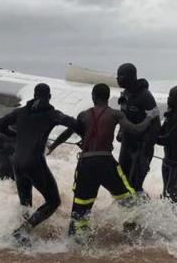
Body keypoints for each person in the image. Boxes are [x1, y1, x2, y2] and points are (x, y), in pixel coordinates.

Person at [47, 83, 159, 242]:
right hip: (106, 162)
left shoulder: (83, 115)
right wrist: (150, 117)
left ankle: (72, 244)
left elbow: (68, 132)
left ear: (93, 96)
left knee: (80, 206)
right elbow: (135, 130)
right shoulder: (116, 114)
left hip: (85, 163)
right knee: (129, 199)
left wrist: (52, 146)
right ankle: (134, 236)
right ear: (107, 97)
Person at [0, 83, 80, 245]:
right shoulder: (52, 114)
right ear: (49, 97)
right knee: (54, 201)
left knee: (25, 203)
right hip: (35, 162)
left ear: (34, 95)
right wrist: (59, 142)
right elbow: (75, 124)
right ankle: (22, 231)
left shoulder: (19, 112)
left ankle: (21, 239)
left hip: (17, 163)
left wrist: (15, 134)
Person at [116, 63, 161, 195]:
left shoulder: (145, 96)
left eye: (121, 75)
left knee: (135, 185)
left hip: (141, 147)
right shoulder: (124, 95)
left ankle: (143, 211)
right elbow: (123, 117)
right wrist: (120, 132)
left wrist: (146, 148)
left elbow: (156, 124)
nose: (118, 78)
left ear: (131, 76)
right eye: (117, 75)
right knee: (122, 181)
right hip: (127, 144)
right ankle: (125, 212)